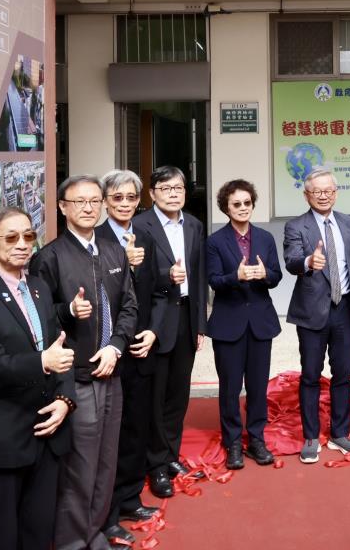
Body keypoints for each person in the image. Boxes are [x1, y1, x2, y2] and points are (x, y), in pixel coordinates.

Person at [0, 207, 75, 550]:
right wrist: (42, 362)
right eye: (11, 237)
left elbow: (59, 349)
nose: (22, 244)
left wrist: (65, 400)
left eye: (28, 236)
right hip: (2, 439)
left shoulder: (38, 288)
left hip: (47, 434)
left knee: (39, 530)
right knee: (3, 536)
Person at [29, 175, 139, 550]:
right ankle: (72, 542)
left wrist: (116, 347)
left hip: (111, 370)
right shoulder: (49, 258)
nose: (89, 208)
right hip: (77, 379)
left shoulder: (113, 251)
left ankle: (94, 533)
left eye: (95, 201)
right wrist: (69, 310)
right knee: (80, 467)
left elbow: (129, 306)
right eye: (79, 202)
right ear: (63, 207)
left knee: (106, 462)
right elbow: (40, 321)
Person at [129, 166, 207, 498]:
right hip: (156, 320)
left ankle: (171, 455)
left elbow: (199, 276)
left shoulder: (194, 225)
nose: (173, 193)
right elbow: (137, 278)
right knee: (155, 396)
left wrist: (200, 323)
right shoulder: (139, 225)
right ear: (152, 194)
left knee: (178, 394)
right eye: (166, 188)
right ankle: (155, 464)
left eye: (178, 188)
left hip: (186, 316)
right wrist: (166, 276)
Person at [283, 168, 350, 464]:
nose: (323, 196)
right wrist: (309, 261)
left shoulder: (347, 222)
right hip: (312, 313)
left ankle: (340, 433)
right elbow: (291, 261)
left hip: (344, 308)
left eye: (328, 190)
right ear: (306, 195)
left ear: (336, 192)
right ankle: (310, 436)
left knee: (342, 374)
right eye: (317, 191)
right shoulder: (296, 226)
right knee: (310, 375)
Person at [95, 170, 159, 541]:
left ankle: (132, 497)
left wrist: (154, 331)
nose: (124, 204)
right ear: (105, 201)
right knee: (110, 435)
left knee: (137, 425)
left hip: (142, 344)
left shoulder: (147, 236)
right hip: (109, 349)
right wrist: (125, 263)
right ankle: (108, 508)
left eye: (131, 198)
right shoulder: (96, 239)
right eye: (117, 197)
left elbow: (161, 290)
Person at [206, 179, 283, 469]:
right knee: (229, 388)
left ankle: (257, 439)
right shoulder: (215, 241)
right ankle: (233, 443)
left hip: (260, 322)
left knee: (258, 386)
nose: (242, 208)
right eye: (236, 204)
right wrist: (235, 277)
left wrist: (265, 275)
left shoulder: (265, 238)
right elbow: (213, 280)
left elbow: (276, 276)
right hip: (228, 323)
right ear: (226, 208)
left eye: (247, 203)